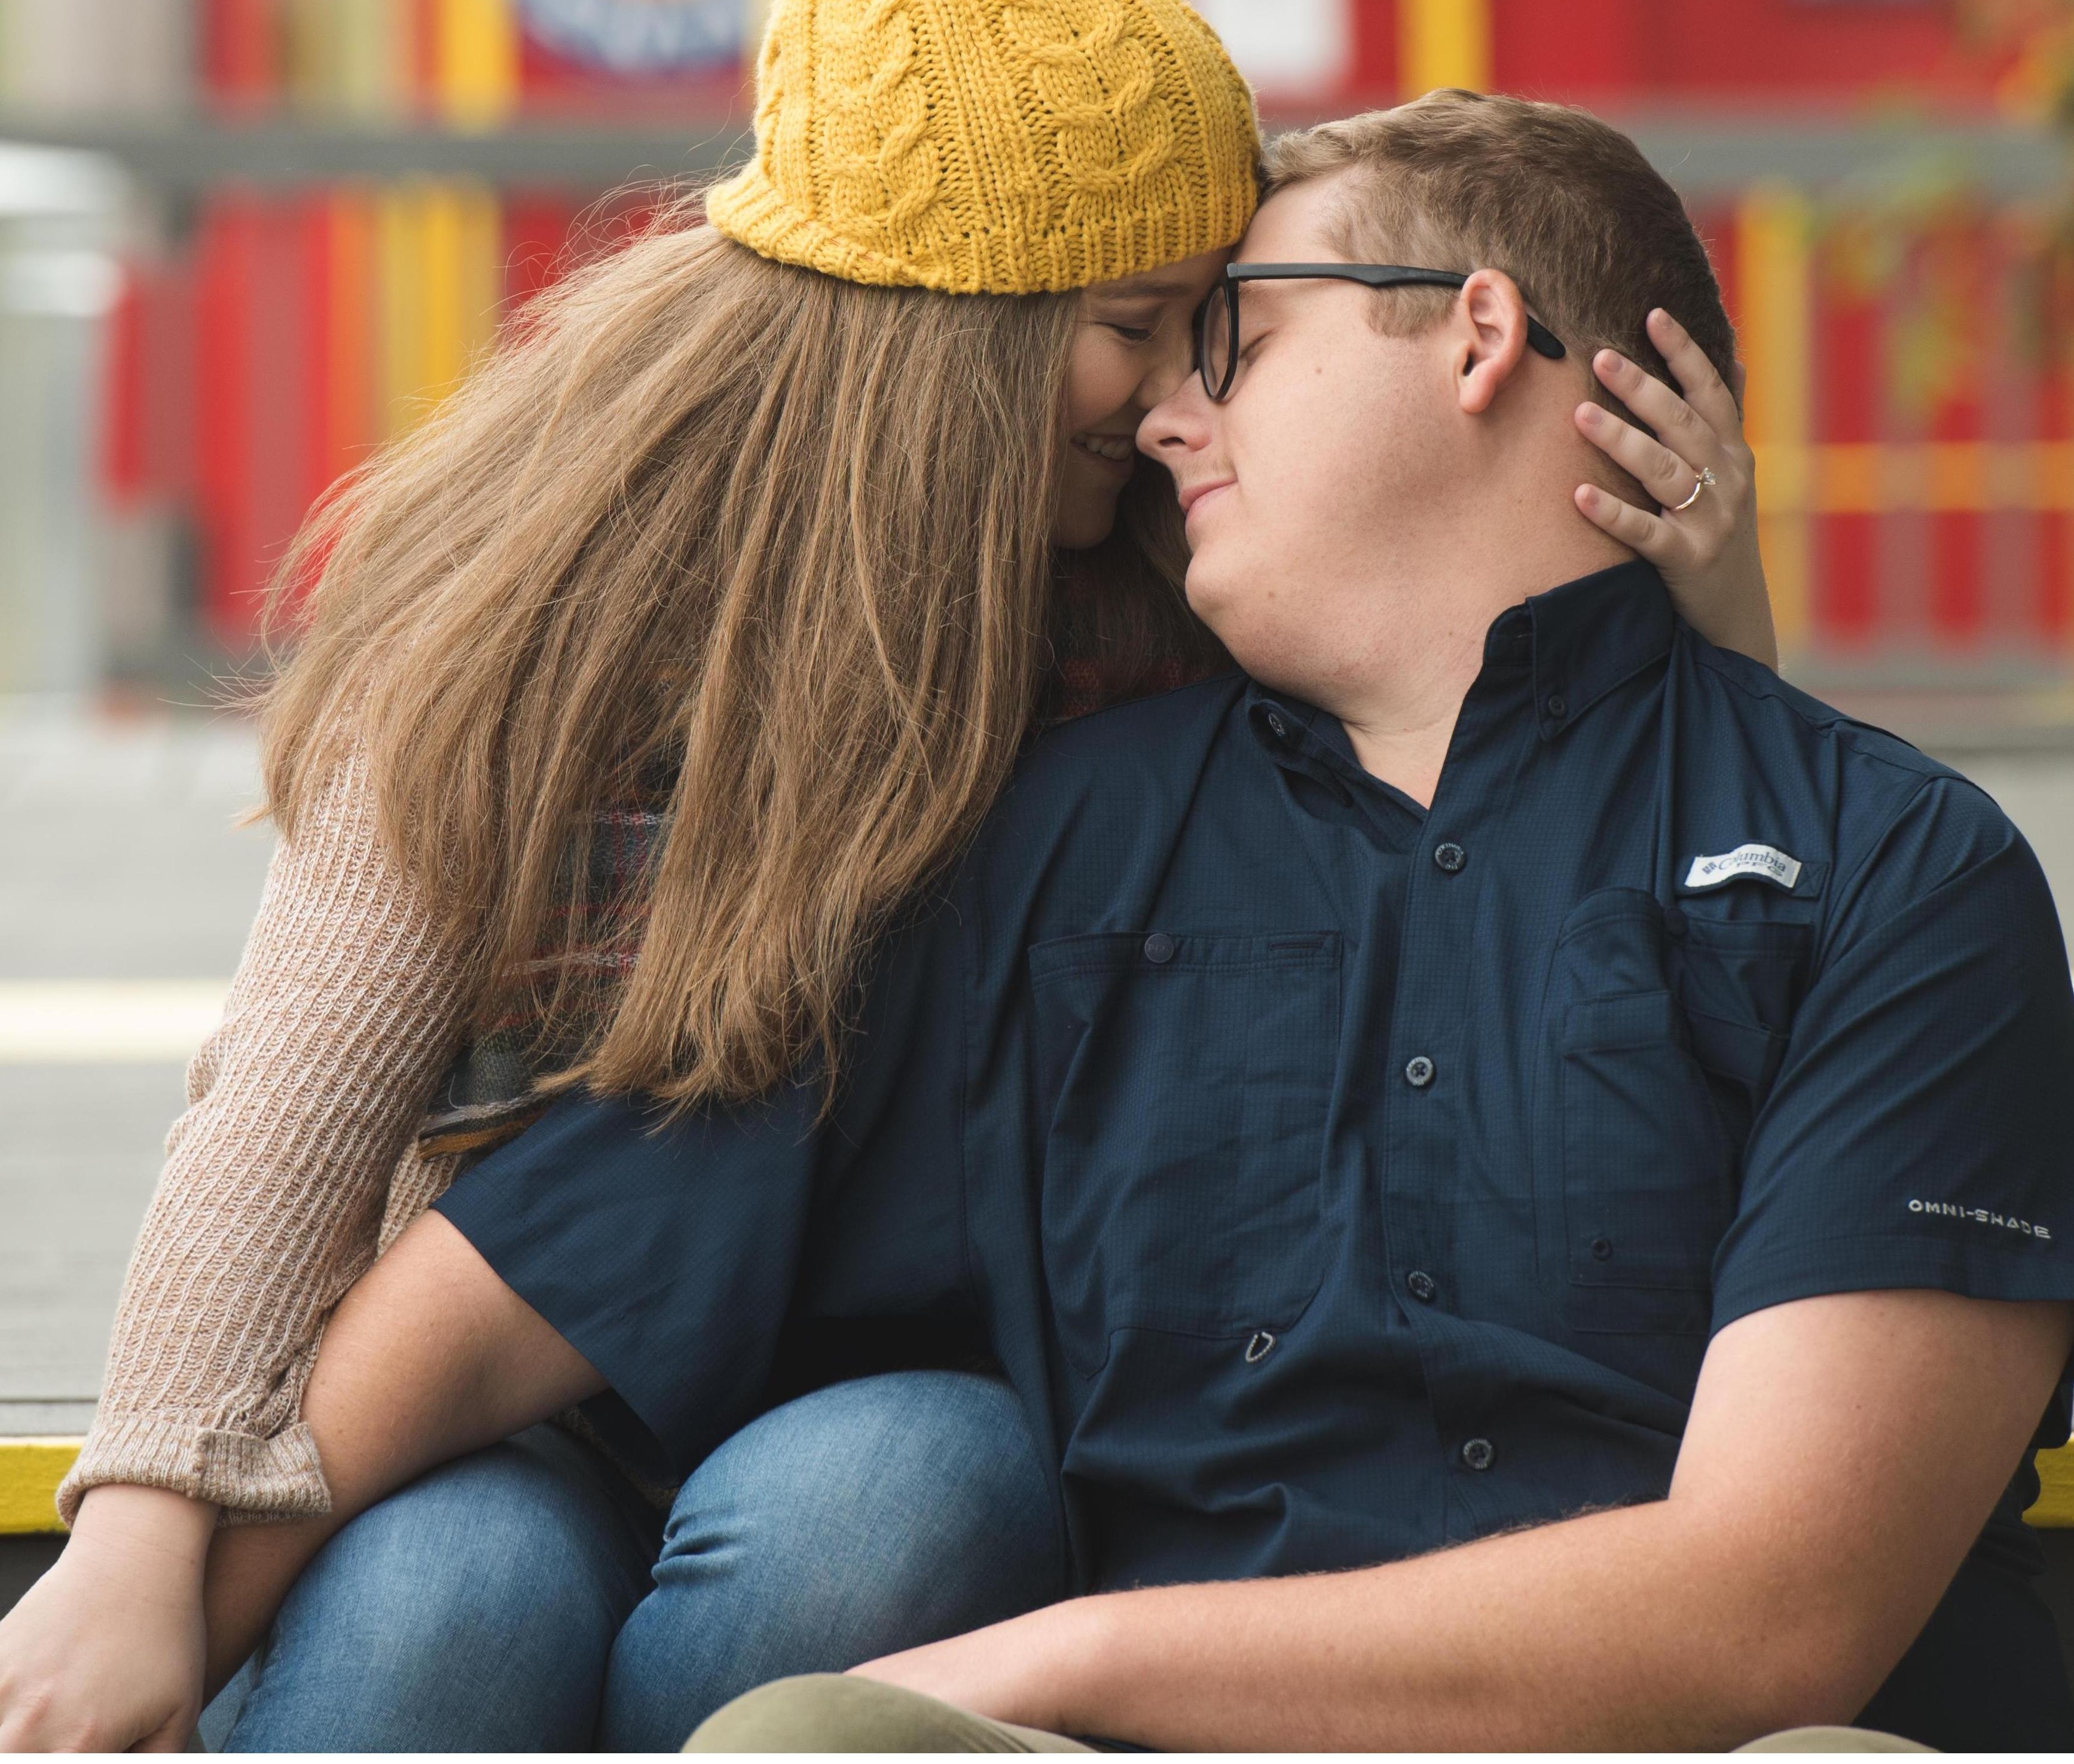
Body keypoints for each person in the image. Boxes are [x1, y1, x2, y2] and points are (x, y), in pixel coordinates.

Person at [0, 0, 1766, 1754]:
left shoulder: (1171, 586)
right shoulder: (540, 591)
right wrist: (136, 1531)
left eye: (1214, 330)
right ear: (955, 325)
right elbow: (291, 1094)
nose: (1182, 391)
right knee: (452, 1598)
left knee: (897, 1494)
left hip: (911, 1362)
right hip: (490, 1375)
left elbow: (1492, 801)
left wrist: (1706, 616)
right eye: (1140, 320)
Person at [148, 89, 2074, 1753]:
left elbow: (1777, 1614)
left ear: (1476, 334)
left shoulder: (1893, 877)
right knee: (780, 1710)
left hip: (1698, 1746)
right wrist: (143, 1589)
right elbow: (567, 1251)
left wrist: (1072, 1657)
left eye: (1227, 334)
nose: (1165, 414)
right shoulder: (1057, 846)